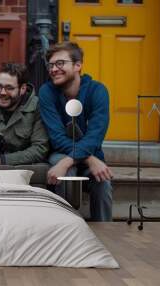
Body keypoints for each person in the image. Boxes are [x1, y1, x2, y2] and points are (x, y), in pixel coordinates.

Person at [38, 41, 113, 221]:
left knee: (102, 179)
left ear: (78, 65)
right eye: (51, 65)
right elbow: (56, 138)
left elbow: (95, 136)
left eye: (60, 63)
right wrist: (82, 159)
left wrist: (78, 159)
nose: (54, 69)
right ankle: (66, 229)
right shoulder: (47, 92)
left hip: (90, 152)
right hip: (60, 153)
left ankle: (105, 230)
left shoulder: (97, 91)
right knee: (66, 170)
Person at [0, 62, 49, 165]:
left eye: (9, 88)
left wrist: (4, 160)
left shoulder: (37, 107)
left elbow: (40, 148)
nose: (2, 92)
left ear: (23, 89)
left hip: (23, 166)